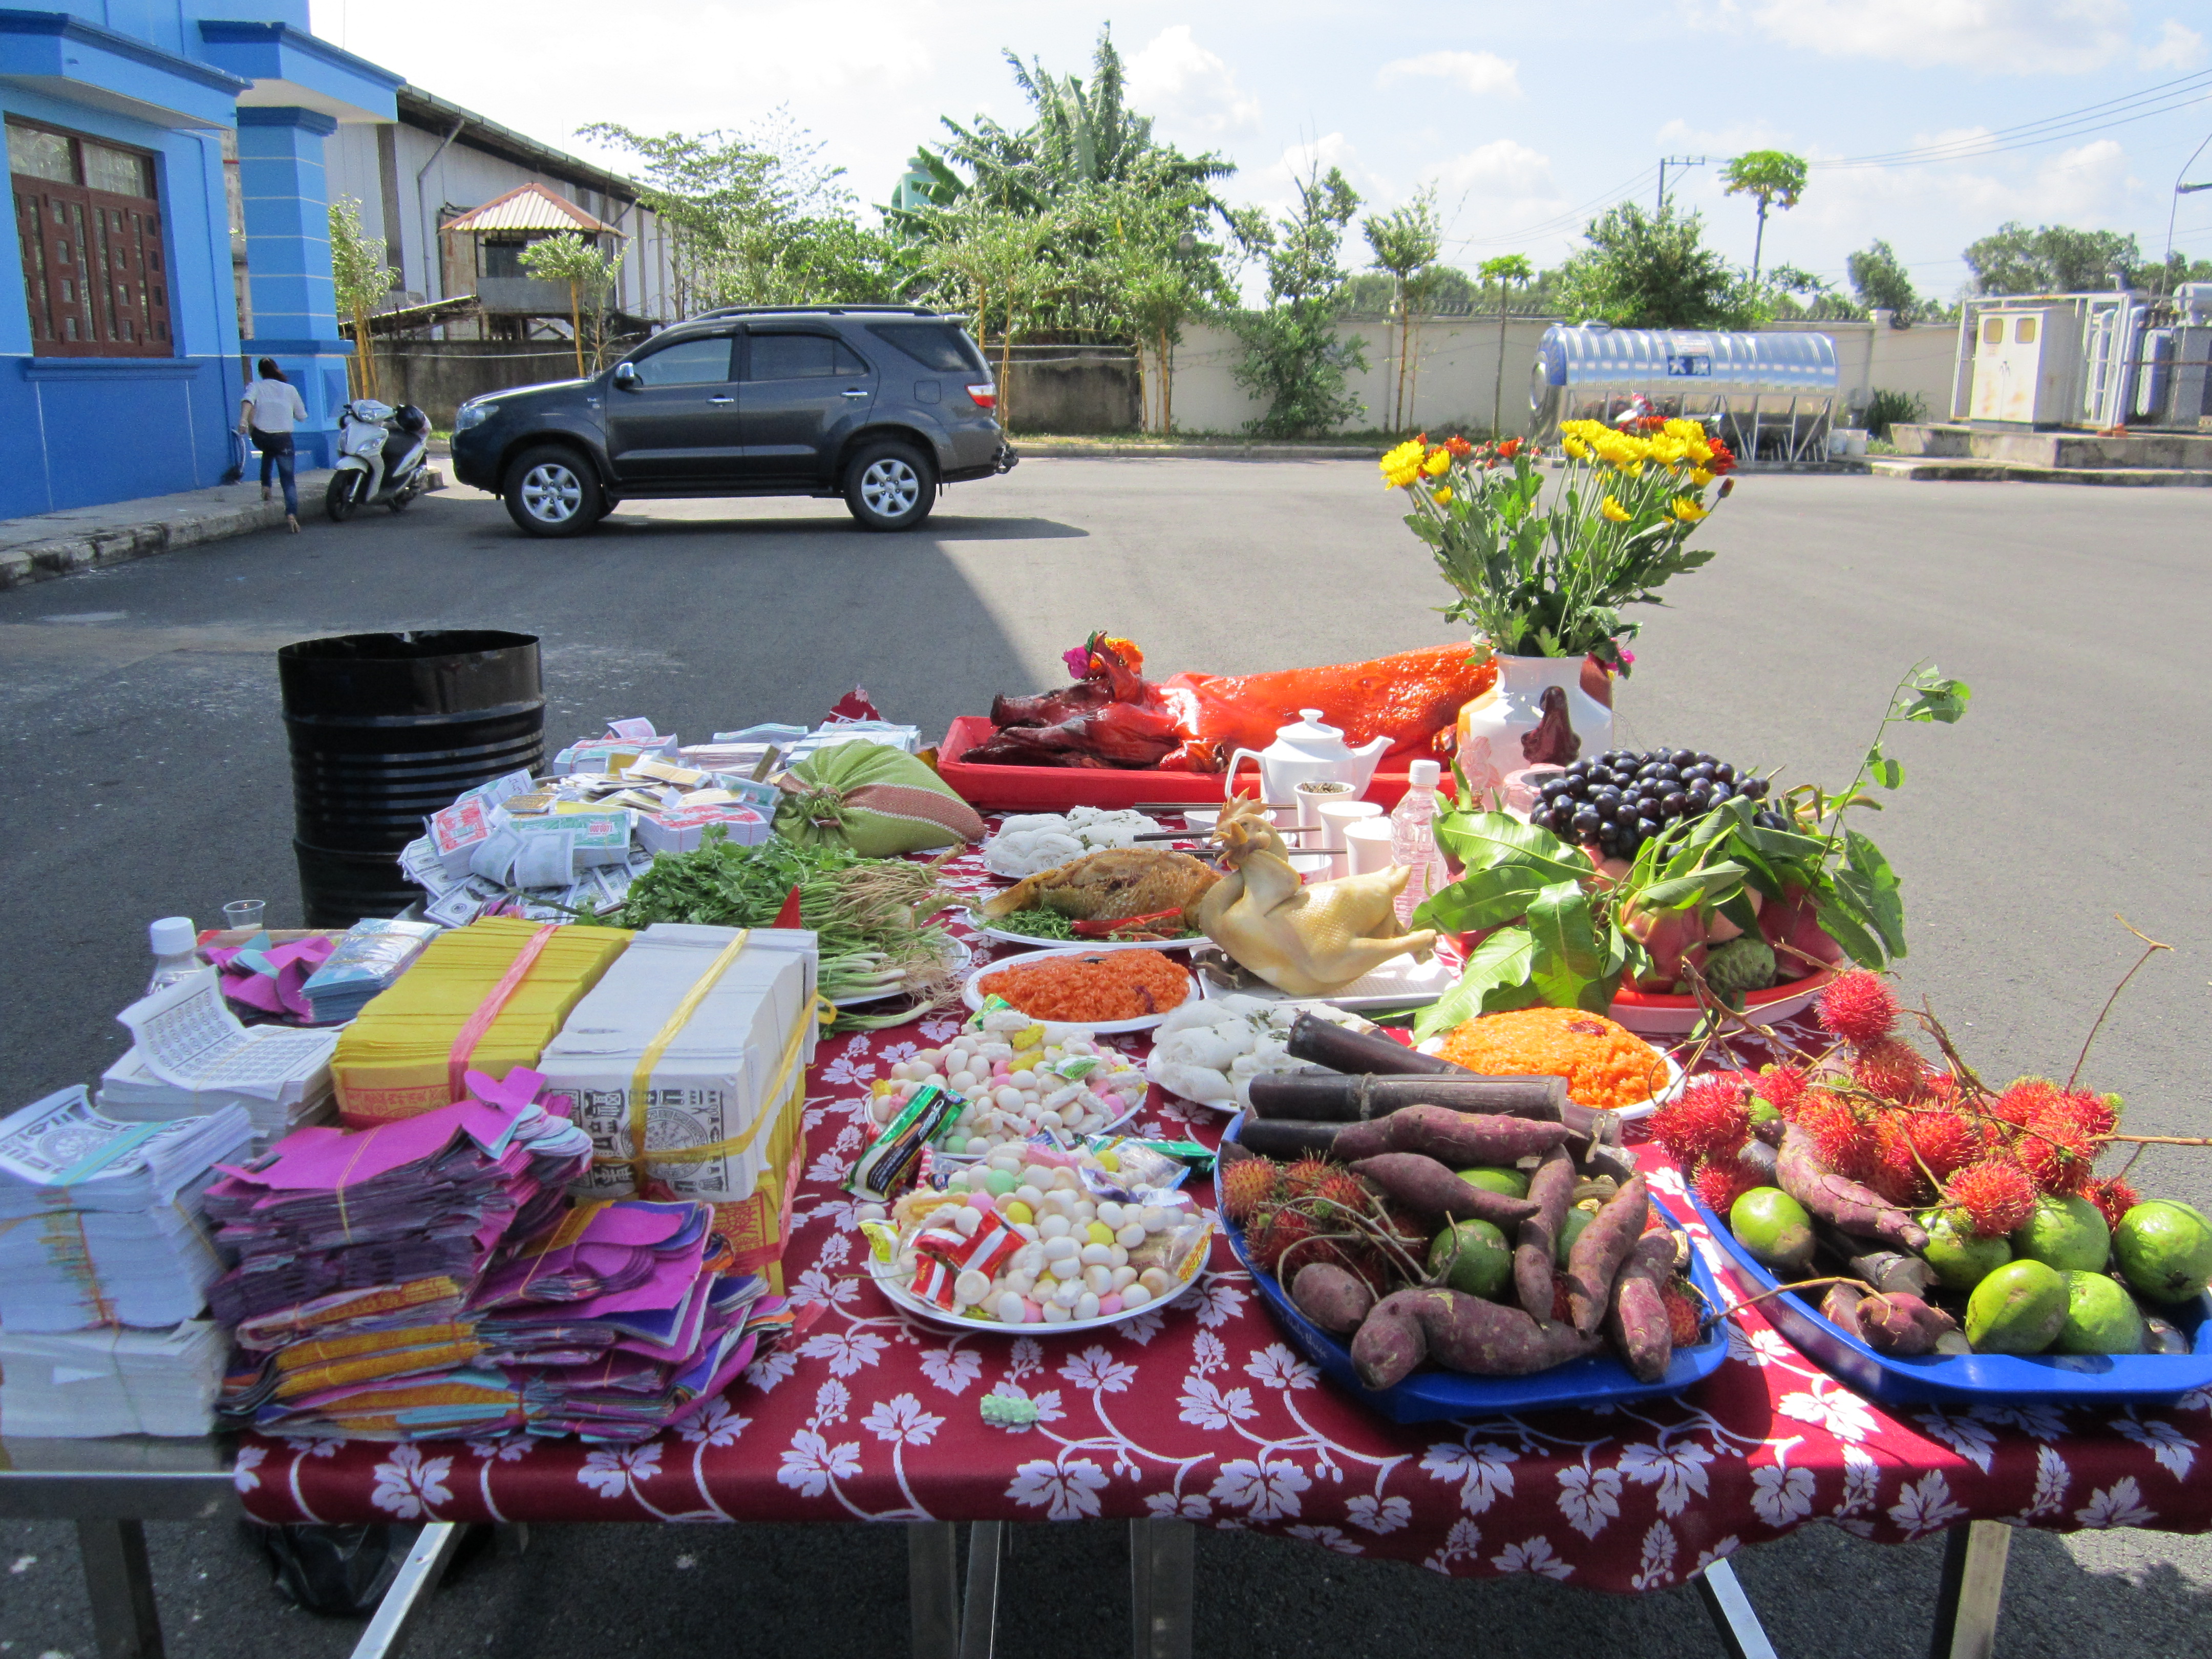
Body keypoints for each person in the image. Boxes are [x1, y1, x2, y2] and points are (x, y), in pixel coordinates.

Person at [238, 358, 308, 533]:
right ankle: (291, 514)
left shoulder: (256, 386)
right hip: (283, 439)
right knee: (288, 479)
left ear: (261, 373)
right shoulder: (290, 389)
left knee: (268, 451)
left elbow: (247, 401)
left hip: (261, 437)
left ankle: (266, 486)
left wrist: (243, 421)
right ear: (276, 370)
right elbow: (302, 416)